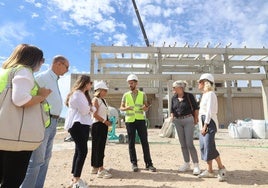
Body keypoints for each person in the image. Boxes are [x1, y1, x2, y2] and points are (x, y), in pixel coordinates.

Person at [0, 44, 51, 187]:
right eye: (42, 60)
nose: (42, 63)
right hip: (17, 136)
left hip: (3, 133)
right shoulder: (24, 71)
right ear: (33, 59)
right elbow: (21, 100)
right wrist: (41, 96)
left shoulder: (5, 72)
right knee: (12, 180)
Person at [21, 55, 69, 188]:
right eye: (67, 67)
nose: (67, 70)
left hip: (52, 122)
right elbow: (29, 97)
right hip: (43, 122)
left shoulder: (54, 80)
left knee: (45, 159)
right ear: (58, 64)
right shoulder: (42, 78)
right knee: (36, 161)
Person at [120, 74, 156, 172]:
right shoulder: (126, 95)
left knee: (144, 142)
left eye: (131, 83)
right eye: (129, 83)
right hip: (130, 121)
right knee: (131, 143)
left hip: (140, 120)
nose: (130, 85)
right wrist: (126, 108)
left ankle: (149, 164)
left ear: (136, 83)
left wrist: (146, 108)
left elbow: (146, 106)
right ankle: (134, 163)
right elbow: (121, 107)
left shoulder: (142, 94)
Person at [64, 75, 94, 188]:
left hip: (82, 124)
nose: (91, 85)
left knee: (78, 151)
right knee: (82, 151)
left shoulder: (82, 95)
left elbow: (90, 108)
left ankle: (74, 177)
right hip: (78, 125)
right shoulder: (77, 94)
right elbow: (85, 110)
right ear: (85, 83)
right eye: (90, 83)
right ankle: (76, 179)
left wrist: (89, 108)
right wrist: (89, 108)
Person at [197, 73, 227, 182]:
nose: (198, 83)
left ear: (205, 82)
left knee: (209, 146)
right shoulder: (204, 95)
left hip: (209, 123)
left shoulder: (210, 94)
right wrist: (201, 126)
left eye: (199, 82)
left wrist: (205, 125)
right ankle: (209, 170)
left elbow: (209, 111)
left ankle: (221, 168)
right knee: (204, 147)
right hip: (203, 123)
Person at [170, 80, 201, 175]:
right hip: (177, 121)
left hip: (188, 120)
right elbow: (172, 110)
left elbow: (196, 108)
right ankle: (186, 163)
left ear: (180, 88)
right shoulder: (173, 98)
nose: (173, 89)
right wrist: (172, 117)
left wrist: (196, 119)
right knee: (182, 144)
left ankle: (196, 165)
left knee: (189, 143)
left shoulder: (189, 96)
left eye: (174, 87)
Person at [91, 81, 112, 179]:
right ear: (99, 90)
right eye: (104, 90)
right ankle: (100, 169)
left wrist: (107, 121)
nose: (106, 92)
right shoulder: (96, 100)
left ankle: (95, 167)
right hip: (98, 125)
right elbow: (94, 114)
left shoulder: (103, 100)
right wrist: (104, 121)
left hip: (102, 125)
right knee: (99, 147)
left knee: (98, 146)